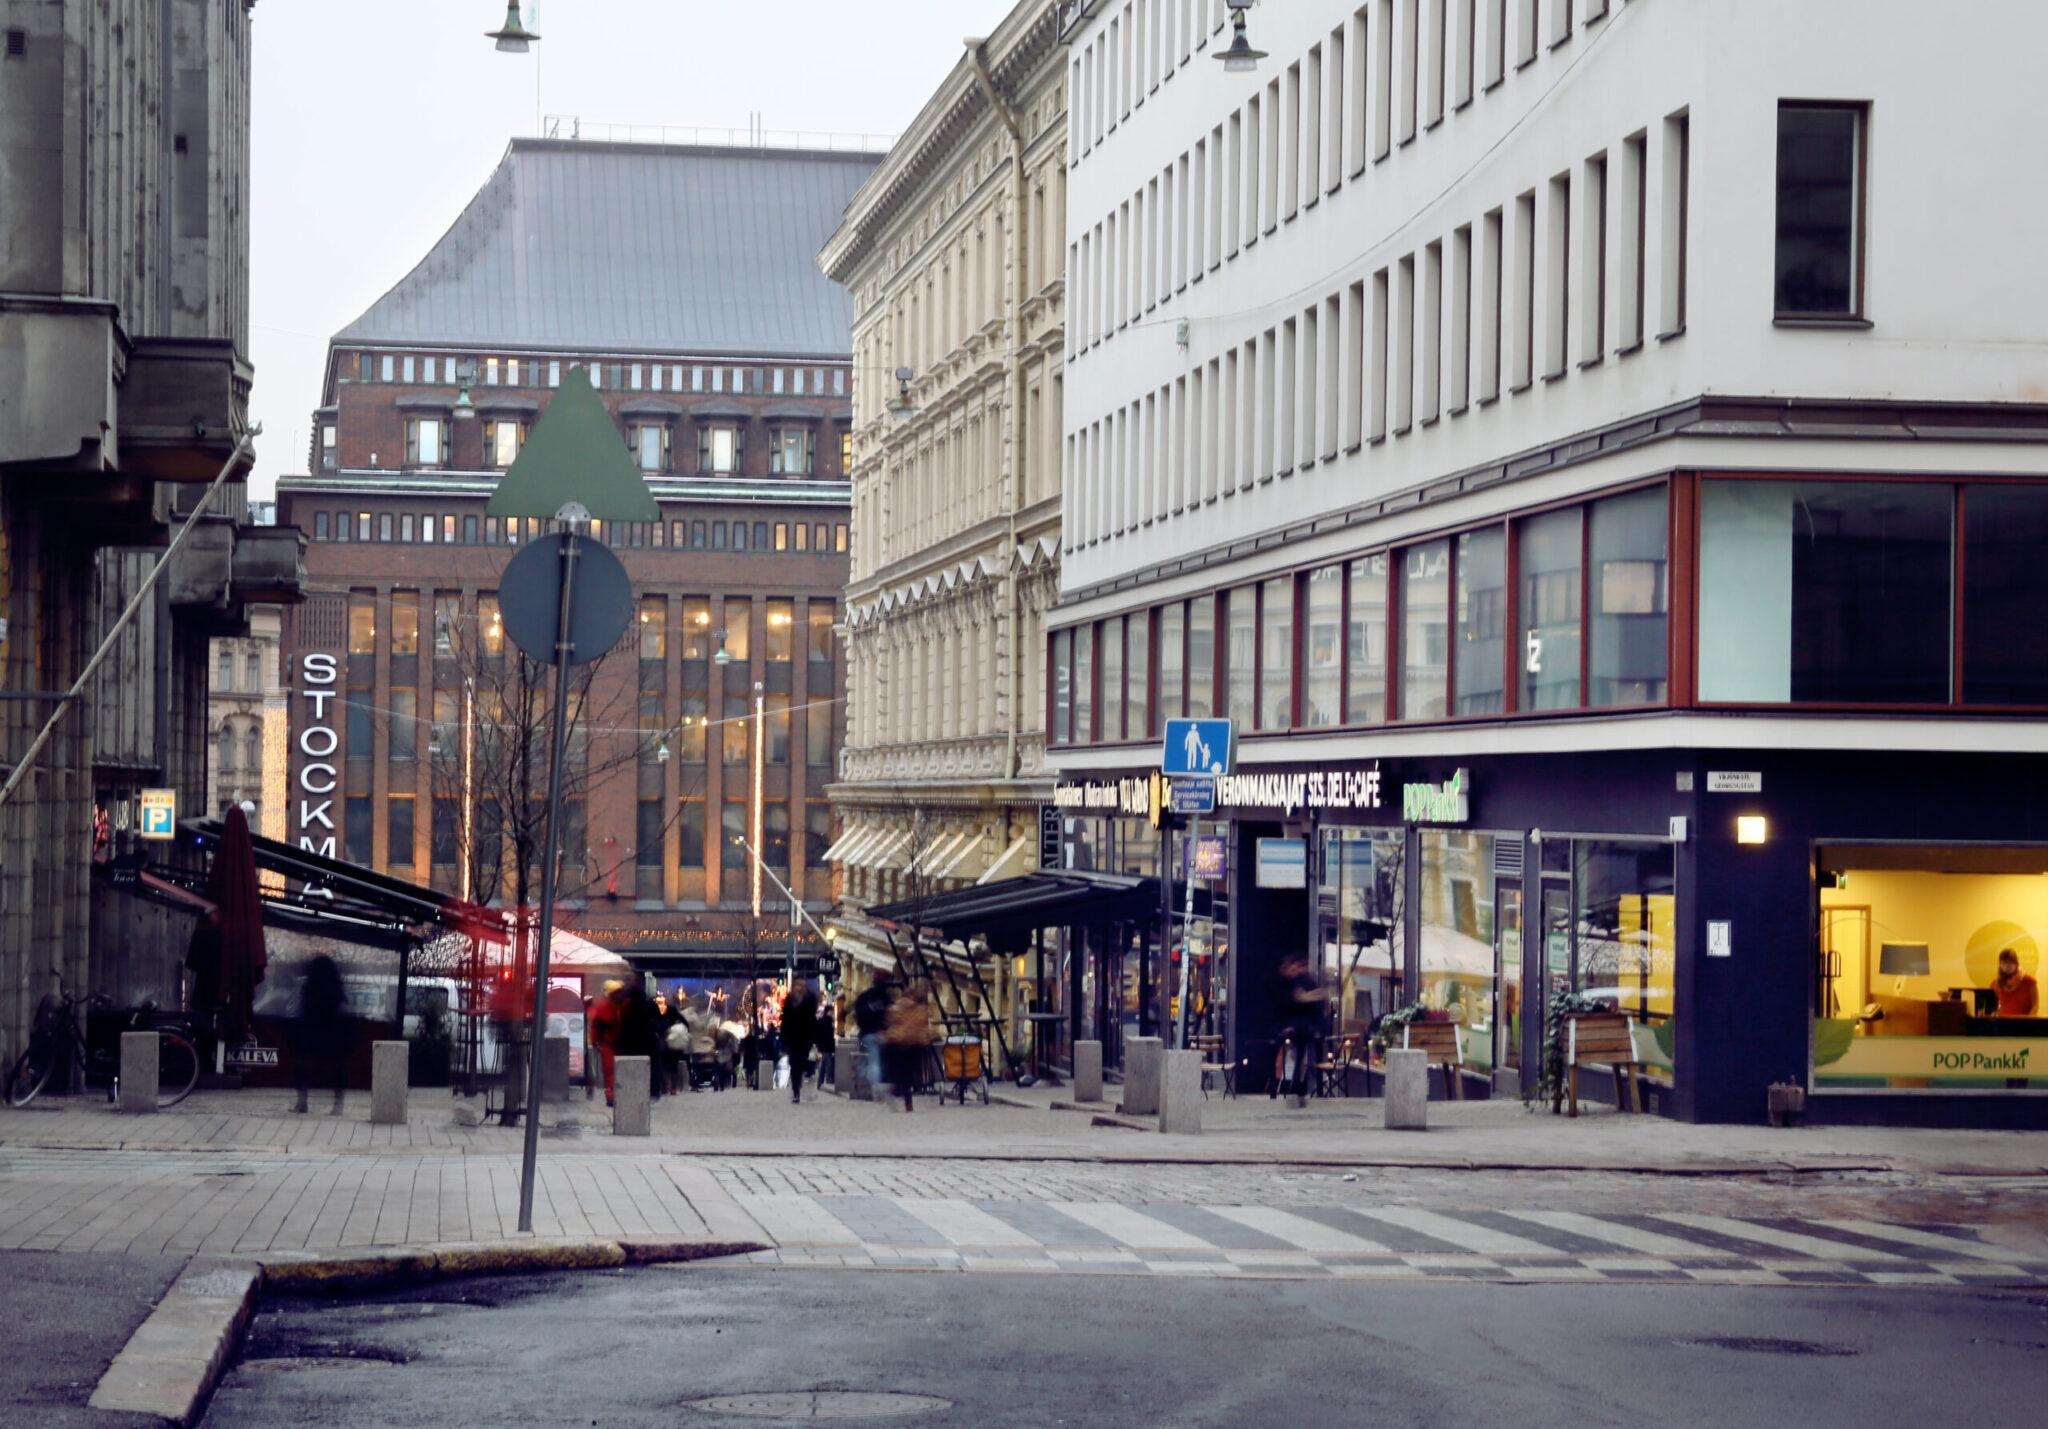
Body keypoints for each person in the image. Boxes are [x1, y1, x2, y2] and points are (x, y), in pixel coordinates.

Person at [291, 955, 349, 1116]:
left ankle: (302, 1102)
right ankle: (338, 1105)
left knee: (303, 1065)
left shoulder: (310, 987)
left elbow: (303, 1008)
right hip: (332, 1033)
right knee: (337, 1068)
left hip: (311, 1032)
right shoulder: (335, 988)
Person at [1267, 954, 1324, 1105]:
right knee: (1297, 1059)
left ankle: (1296, 1090)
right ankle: (1295, 1090)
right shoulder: (1291, 982)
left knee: (1298, 1059)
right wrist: (1312, 996)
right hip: (1296, 1027)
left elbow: (1302, 1000)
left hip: (1299, 1027)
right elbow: (1298, 999)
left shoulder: (1301, 981)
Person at [882, 985, 933, 1112]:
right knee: (910, 1073)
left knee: (899, 1071)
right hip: (912, 1044)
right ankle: (907, 1101)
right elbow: (922, 1026)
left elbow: (888, 1021)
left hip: (897, 1042)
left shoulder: (896, 1007)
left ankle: (896, 1088)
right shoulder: (918, 1009)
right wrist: (926, 1038)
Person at [780, 978, 821, 1104]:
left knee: (802, 1061)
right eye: (797, 985)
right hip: (793, 1037)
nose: (799, 988)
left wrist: (815, 1037)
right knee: (794, 1064)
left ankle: (799, 1083)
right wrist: (784, 1039)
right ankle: (796, 1090)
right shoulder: (789, 1000)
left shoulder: (809, 1000)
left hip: (805, 1037)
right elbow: (785, 1020)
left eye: (801, 985)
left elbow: (812, 1020)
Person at [853, 977, 895, 1098]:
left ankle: (872, 1086)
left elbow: (858, 1014)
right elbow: (891, 1015)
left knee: (871, 1062)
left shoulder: (864, 997)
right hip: (883, 1034)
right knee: (879, 1062)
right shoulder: (886, 998)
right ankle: (874, 1084)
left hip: (867, 1034)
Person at [589, 979, 626, 1106]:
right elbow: (596, 1026)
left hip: (617, 1044)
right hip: (610, 1043)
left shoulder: (622, 1006)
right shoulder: (605, 1008)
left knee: (616, 1071)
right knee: (610, 1071)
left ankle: (618, 1094)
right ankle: (611, 1096)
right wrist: (596, 1042)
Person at [1993, 949, 2040, 1018]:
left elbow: (2035, 1006)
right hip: (2003, 1025)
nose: (2007, 966)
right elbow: (1994, 1008)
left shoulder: (2029, 980)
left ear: (2016, 963)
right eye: (2004, 963)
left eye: (2010, 963)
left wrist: (2026, 1022)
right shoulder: (1997, 984)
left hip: (2025, 1025)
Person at [815, 1001, 838, 1091]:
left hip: (823, 1046)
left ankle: (820, 1083)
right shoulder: (827, 1021)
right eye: (831, 1011)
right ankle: (829, 1082)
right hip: (826, 1046)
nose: (832, 1013)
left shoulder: (823, 1020)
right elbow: (827, 1035)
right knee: (828, 1065)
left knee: (823, 1065)